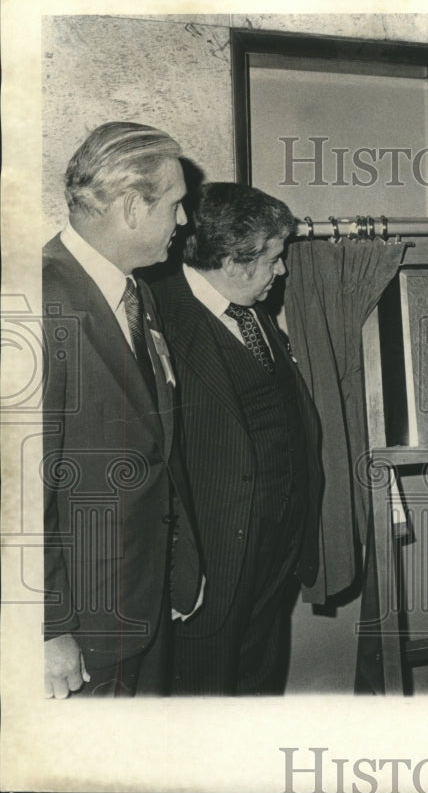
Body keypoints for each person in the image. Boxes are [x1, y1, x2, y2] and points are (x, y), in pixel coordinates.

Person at [42, 121, 203, 697]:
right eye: (176, 205)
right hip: (83, 631)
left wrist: (180, 570)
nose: (183, 221)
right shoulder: (39, 299)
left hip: (143, 602)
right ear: (134, 207)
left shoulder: (138, 294)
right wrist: (47, 629)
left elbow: (157, 447)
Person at [150, 182, 322, 695]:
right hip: (212, 561)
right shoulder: (157, 316)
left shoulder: (252, 310)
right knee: (204, 699)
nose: (283, 270)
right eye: (273, 258)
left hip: (276, 546)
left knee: (258, 684)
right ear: (232, 261)